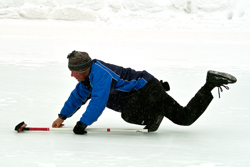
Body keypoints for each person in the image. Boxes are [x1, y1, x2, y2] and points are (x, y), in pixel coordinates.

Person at [52, 50, 237, 134]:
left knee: (183, 118)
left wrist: (83, 123)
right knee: (182, 118)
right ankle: (155, 115)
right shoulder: (88, 79)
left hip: (148, 89)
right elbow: (78, 96)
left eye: (73, 71)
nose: (71, 75)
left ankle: (210, 84)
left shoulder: (100, 74)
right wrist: (62, 117)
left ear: (83, 69)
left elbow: (98, 101)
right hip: (140, 93)